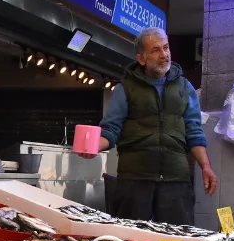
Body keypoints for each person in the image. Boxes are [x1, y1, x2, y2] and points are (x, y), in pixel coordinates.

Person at [87, 27, 217, 226]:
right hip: (134, 182)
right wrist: (93, 146)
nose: (164, 55)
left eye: (166, 48)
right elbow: (111, 129)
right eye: (156, 50)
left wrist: (206, 167)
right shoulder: (125, 89)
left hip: (176, 181)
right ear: (142, 59)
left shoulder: (185, 87)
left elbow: (194, 130)